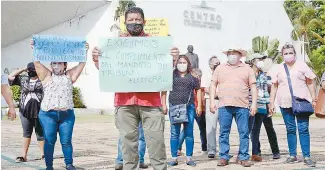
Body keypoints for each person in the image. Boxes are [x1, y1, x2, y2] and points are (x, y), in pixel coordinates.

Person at [92, 7, 179, 170]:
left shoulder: (156, 44)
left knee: (156, 142)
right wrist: (97, 58)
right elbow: (105, 69)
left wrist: (173, 58)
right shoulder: (114, 45)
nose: (134, 23)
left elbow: (165, 69)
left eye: (137, 19)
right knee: (127, 144)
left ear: (144, 22)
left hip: (151, 103)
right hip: (124, 103)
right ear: (125, 23)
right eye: (130, 20)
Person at [31, 40, 89, 170]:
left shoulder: (70, 76)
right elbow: (37, 62)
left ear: (65, 65)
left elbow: (82, 63)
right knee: (50, 140)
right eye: (54, 63)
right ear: (51, 65)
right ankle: (49, 166)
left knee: (66, 141)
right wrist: (34, 47)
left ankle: (69, 164)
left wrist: (85, 51)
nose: (56, 65)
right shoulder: (46, 75)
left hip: (66, 115)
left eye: (59, 63)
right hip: (48, 115)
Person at [269, 44, 317, 167]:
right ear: (282, 55)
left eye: (291, 53)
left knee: (303, 129)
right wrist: (271, 102)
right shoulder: (278, 68)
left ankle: (306, 156)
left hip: (301, 102)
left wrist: (314, 98)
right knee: (290, 129)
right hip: (284, 103)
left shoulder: (302, 65)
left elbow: (310, 82)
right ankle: (292, 155)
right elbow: (274, 86)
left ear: (295, 54)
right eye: (286, 53)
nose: (288, 55)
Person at [209, 48, 257, 167]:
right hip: (224, 105)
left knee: (244, 132)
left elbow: (254, 87)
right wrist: (211, 102)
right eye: (229, 54)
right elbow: (213, 84)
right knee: (223, 133)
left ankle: (243, 157)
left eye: (234, 53)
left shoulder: (247, 68)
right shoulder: (220, 68)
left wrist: (254, 104)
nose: (231, 56)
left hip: (242, 106)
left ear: (240, 55)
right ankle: (224, 156)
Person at [167, 55, 202, 167]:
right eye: (180, 62)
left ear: (188, 64)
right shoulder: (171, 75)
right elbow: (163, 89)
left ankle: (189, 158)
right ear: (176, 63)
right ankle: (174, 158)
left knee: (189, 133)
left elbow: (198, 90)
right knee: (174, 133)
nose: (182, 64)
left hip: (189, 108)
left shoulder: (192, 76)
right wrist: (163, 104)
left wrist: (199, 105)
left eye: (184, 62)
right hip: (174, 107)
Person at [245, 54, 280, 161]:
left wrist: (270, 105)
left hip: (262, 104)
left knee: (268, 128)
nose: (261, 61)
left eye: (262, 59)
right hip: (250, 104)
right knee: (253, 130)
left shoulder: (263, 75)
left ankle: (275, 151)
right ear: (252, 61)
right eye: (258, 59)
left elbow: (265, 92)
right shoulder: (247, 73)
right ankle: (256, 152)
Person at [8, 63, 44, 163]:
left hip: (40, 111)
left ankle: (43, 154)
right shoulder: (23, 79)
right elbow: (10, 76)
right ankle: (23, 155)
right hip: (25, 111)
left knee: (40, 133)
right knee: (26, 133)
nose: (30, 72)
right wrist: (23, 69)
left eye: (33, 69)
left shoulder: (43, 79)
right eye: (29, 70)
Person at [178, 68, 207, 155]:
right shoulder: (196, 84)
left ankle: (178, 148)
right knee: (200, 128)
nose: (198, 78)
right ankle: (204, 148)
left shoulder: (190, 82)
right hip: (194, 108)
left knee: (200, 128)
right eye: (198, 76)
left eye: (199, 76)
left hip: (195, 108)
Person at [201, 56, 220, 158]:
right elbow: (205, 88)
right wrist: (217, 94)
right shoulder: (206, 73)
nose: (217, 64)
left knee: (224, 127)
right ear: (210, 64)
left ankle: (223, 149)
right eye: (215, 63)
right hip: (211, 100)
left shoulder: (221, 72)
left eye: (218, 62)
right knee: (211, 126)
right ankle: (211, 149)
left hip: (223, 101)